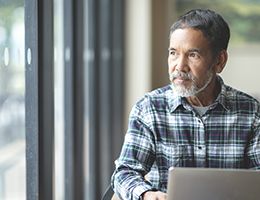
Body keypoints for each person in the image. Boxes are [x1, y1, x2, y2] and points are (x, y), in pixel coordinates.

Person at [111, 8, 260, 200]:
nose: (179, 66)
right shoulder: (149, 109)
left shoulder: (250, 112)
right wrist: (146, 194)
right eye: (173, 53)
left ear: (219, 61)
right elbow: (125, 173)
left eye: (193, 55)